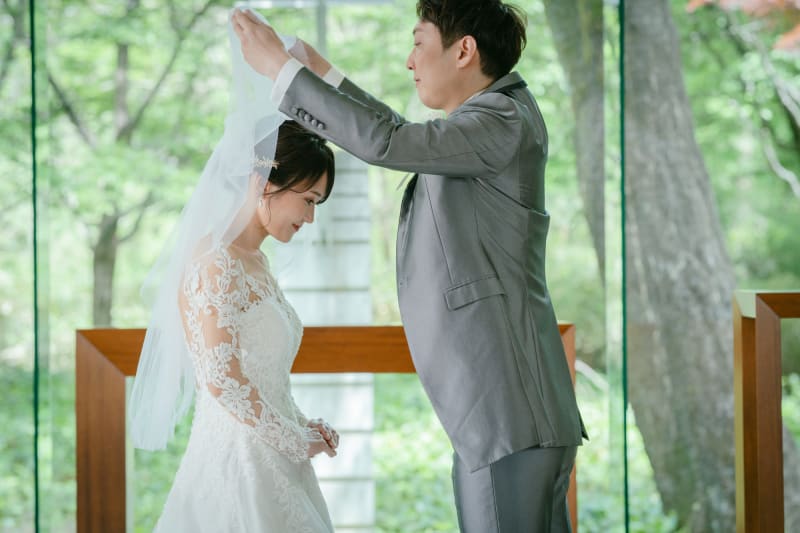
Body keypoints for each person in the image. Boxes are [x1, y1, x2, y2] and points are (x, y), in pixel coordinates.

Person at [232, 1, 588, 531]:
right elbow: (402, 136)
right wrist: (321, 74)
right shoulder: (492, 121)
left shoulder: (502, 119)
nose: (409, 60)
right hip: (511, 414)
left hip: (507, 416)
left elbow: (392, 143)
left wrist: (280, 72)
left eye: (419, 43)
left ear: (464, 51)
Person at [129, 16, 339, 532]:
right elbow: (222, 378)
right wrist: (295, 439)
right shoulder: (214, 261)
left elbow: (265, 379)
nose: (310, 218)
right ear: (268, 179)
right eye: (308, 200)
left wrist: (304, 425)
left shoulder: (257, 263)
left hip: (276, 464)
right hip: (235, 469)